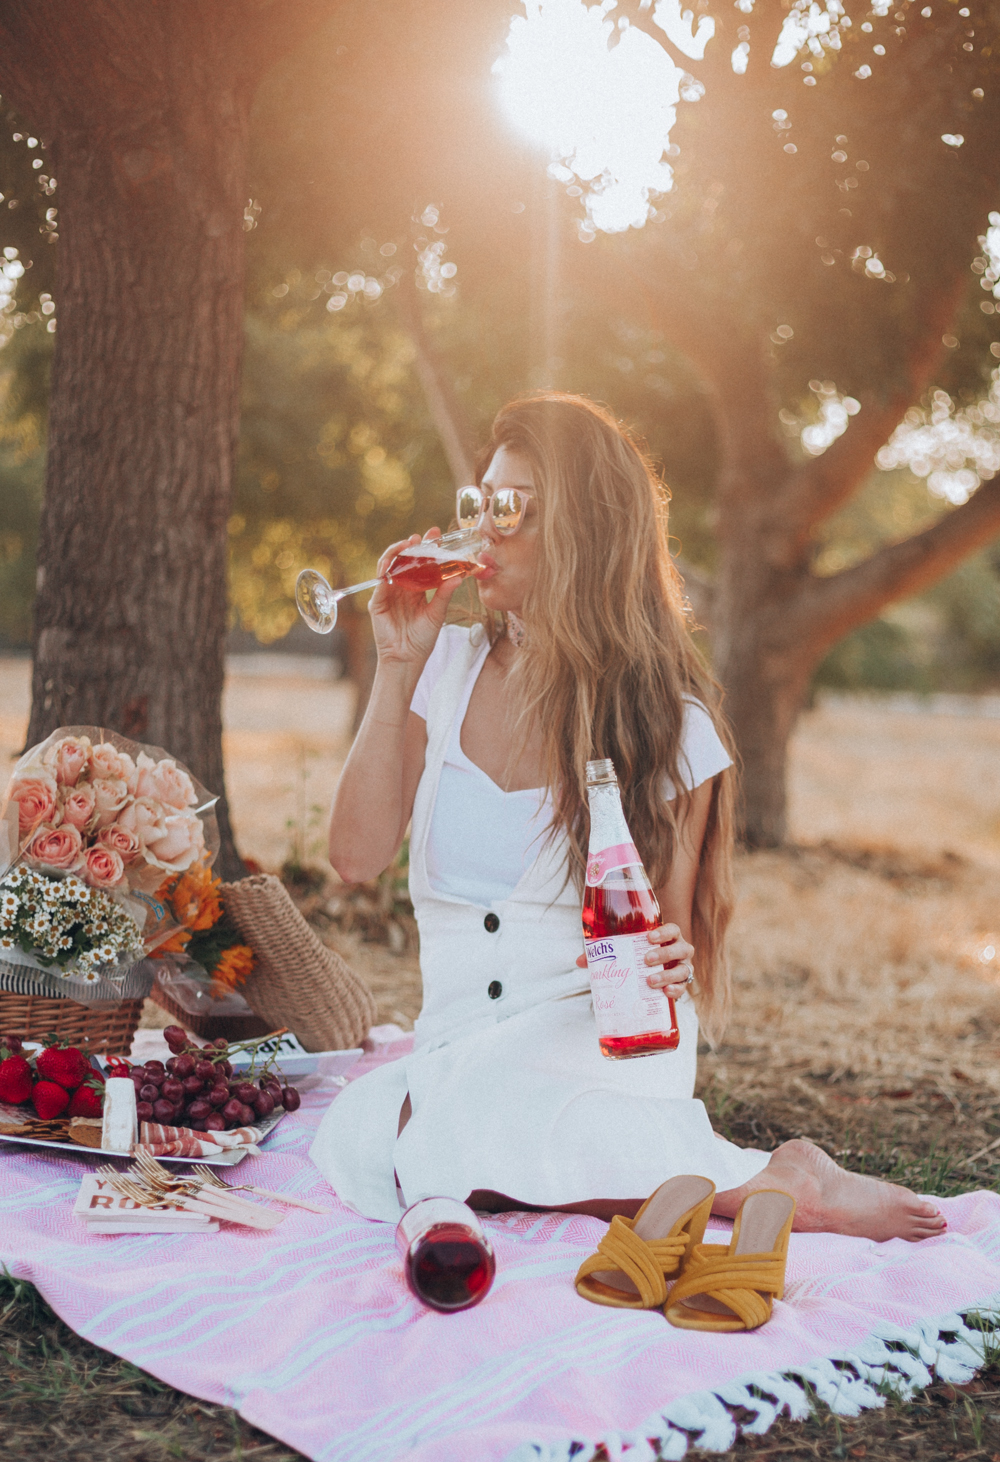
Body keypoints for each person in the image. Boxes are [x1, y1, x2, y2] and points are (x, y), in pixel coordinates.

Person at [310, 392, 945, 1244]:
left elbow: (661, 952)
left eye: (511, 509)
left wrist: (676, 955)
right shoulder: (441, 667)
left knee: (443, 1139)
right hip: (458, 1045)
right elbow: (353, 857)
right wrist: (394, 666)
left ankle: (769, 1178)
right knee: (368, 1132)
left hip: (596, 1047)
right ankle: (734, 1180)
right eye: (478, 505)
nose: (482, 532)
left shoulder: (667, 722)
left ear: (586, 532)